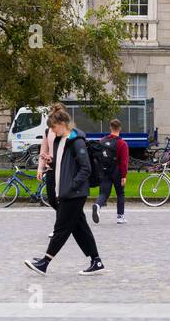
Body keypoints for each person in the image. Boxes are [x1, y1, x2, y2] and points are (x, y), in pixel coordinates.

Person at [24, 104, 103, 275]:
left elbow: (85, 168)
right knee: (80, 228)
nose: (52, 130)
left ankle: (45, 263)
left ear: (62, 124)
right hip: (66, 191)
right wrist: (49, 162)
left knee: (61, 228)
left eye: (53, 127)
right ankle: (96, 261)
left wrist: (72, 186)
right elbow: (65, 164)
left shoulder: (77, 141)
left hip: (74, 193)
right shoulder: (62, 141)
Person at [92, 118, 130, 225]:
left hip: (104, 171)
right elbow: (124, 162)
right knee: (120, 193)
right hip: (117, 171)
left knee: (104, 193)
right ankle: (120, 216)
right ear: (120, 129)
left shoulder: (102, 141)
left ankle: (98, 205)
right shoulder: (122, 144)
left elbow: (98, 156)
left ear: (110, 127)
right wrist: (124, 176)